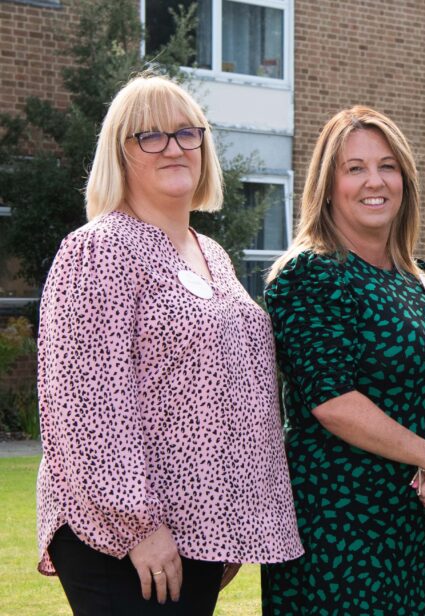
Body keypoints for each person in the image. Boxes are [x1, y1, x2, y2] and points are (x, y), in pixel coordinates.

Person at [35, 73, 303, 615]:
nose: (175, 147)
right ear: (121, 154)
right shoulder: (98, 250)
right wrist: (139, 527)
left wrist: (231, 521)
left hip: (199, 531)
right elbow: (85, 405)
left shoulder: (214, 255)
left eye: (187, 133)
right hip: (123, 537)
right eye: (150, 136)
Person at [261, 106, 425, 616]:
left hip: (411, 525)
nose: (374, 181)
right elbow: (332, 401)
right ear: (328, 186)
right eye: (354, 168)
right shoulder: (310, 276)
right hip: (337, 529)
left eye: (387, 166)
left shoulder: (417, 278)